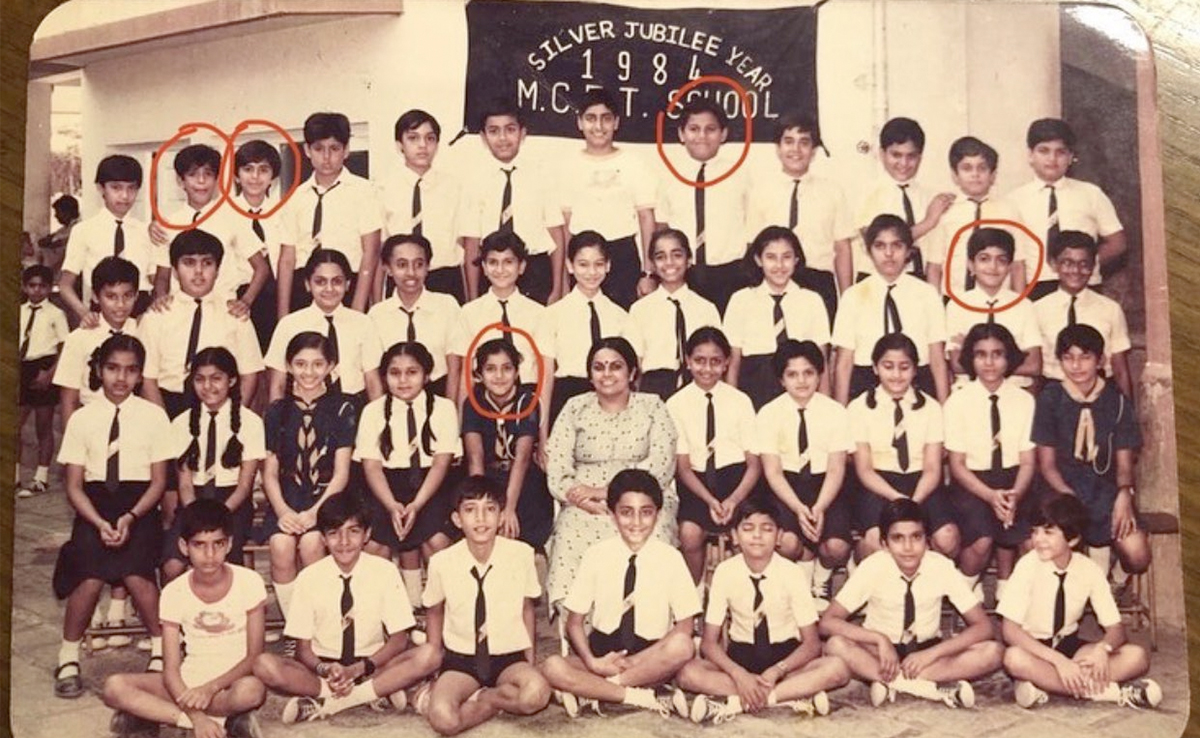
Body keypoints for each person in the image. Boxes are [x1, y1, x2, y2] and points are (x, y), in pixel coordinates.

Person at [253, 492, 439, 723]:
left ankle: (332, 702)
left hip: (373, 665)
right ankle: (371, 693)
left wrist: (359, 669)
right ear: (323, 538)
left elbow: (399, 640)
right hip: (323, 669)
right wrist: (326, 669)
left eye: (353, 531)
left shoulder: (385, 571)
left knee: (430, 654)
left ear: (367, 535)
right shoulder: (309, 578)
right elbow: (303, 649)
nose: (344, 542)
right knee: (264, 665)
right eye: (334, 533)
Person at [53, 335, 171, 698]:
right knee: (88, 575)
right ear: (99, 370)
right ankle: (68, 656)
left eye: (131, 370)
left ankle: (161, 650)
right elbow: (74, 486)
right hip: (95, 507)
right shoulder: (82, 418)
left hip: (139, 506)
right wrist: (99, 522)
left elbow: (159, 482)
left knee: (137, 572)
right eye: (113, 369)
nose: (121, 378)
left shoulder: (154, 416)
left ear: (140, 374)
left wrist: (131, 517)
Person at [102, 499, 268, 738]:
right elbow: (171, 670)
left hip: (232, 682)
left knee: (252, 691)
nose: (209, 555)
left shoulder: (249, 582)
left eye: (218, 544)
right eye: (199, 545)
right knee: (114, 686)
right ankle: (202, 722)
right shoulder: (174, 592)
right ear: (183, 546)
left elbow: (254, 656)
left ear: (230, 544)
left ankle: (151, 713)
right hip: (187, 683)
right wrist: (195, 717)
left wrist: (210, 688)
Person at [541, 469, 699, 718]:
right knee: (552, 666)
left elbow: (685, 626)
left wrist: (635, 662)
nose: (636, 522)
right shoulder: (596, 555)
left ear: (658, 515)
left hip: (650, 659)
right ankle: (637, 696)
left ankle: (601, 690)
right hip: (603, 656)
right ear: (613, 515)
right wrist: (593, 663)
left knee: (683, 646)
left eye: (645, 512)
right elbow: (574, 624)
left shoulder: (671, 558)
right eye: (626, 512)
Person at [820, 499, 1003, 709]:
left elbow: (983, 626)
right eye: (897, 538)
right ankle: (928, 688)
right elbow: (827, 622)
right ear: (884, 543)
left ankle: (890, 682)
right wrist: (879, 639)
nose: (908, 548)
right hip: (879, 653)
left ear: (928, 541)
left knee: (994, 652)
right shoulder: (873, 566)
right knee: (835, 645)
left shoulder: (941, 566)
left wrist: (932, 654)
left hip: (927, 654)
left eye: (916, 537)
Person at [679, 498, 849, 723]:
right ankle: (790, 695)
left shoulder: (792, 573)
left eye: (767, 529)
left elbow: (812, 644)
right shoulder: (725, 572)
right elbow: (709, 643)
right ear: (735, 536)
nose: (757, 535)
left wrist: (778, 670)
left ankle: (739, 702)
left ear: (779, 537)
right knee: (687, 673)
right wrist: (739, 674)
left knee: (837, 668)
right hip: (741, 660)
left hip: (786, 663)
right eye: (748, 528)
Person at [543, 337, 678, 609]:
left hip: (644, 499)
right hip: (584, 504)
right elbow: (557, 465)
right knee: (569, 535)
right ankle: (580, 623)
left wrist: (607, 493)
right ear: (589, 375)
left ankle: (646, 619)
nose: (607, 374)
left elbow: (662, 463)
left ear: (632, 372)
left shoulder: (653, 406)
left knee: (652, 534)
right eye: (599, 367)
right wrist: (582, 499)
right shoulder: (574, 408)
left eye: (616, 366)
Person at [998, 494, 1161, 709]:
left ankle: (1046, 684)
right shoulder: (1027, 566)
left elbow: (1116, 629)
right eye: (1035, 531)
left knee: (1137, 656)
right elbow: (1009, 631)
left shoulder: (1089, 569)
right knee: (1013, 659)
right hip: (1034, 647)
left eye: (1048, 532)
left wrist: (1102, 650)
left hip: (1069, 645)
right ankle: (1109, 693)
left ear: (1073, 539)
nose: (1038, 539)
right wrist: (1059, 662)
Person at [418, 476, 551, 734]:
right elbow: (434, 612)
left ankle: (485, 697)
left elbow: (527, 610)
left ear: (501, 516)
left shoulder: (521, 554)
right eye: (470, 510)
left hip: (508, 657)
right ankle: (499, 699)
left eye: (490, 509)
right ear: (457, 519)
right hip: (461, 659)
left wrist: (529, 660)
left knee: (536, 694)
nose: (481, 518)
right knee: (444, 720)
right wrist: (433, 664)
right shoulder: (442, 562)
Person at [1032, 324, 1149, 574]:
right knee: (1055, 541)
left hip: (1103, 486)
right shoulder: (1050, 398)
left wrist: (1124, 494)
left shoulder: (1117, 400)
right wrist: (1070, 498)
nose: (1076, 366)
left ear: (1100, 360)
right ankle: (1082, 582)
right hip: (1059, 486)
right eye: (1068, 357)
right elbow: (1047, 465)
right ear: (1060, 361)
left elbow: (1124, 462)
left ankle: (1115, 581)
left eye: (1085, 357)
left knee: (1138, 554)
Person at [261, 332, 357, 624]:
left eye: (317, 364)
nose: (309, 372)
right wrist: (282, 511)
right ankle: (296, 625)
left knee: (312, 543)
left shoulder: (343, 407)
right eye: (300, 364)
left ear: (331, 366)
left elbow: (342, 473)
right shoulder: (276, 411)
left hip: (328, 497)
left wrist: (316, 512)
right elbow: (269, 473)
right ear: (288, 366)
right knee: (281, 545)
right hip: (288, 497)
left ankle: (322, 622)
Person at [357, 341, 461, 606]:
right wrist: (392, 505)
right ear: (384, 376)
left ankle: (433, 607)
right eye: (395, 373)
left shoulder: (444, 408)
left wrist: (416, 504)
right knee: (375, 544)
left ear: (426, 375)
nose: (403, 380)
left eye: (412, 372)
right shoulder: (372, 411)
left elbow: (441, 463)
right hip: (385, 486)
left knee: (436, 540)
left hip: (431, 484)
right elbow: (371, 466)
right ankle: (389, 609)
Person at [756, 340, 853, 605]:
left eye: (808, 373)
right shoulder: (769, 413)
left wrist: (819, 507)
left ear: (820, 375)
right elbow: (773, 472)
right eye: (792, 374)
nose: (801, 381)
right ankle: (800, 583)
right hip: (785, 487)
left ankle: (821, 580)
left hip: (826, 486)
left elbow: (836, 468)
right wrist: (799, 509)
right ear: (781, 379)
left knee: (837, 547)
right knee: (786, 542)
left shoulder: (835, 412)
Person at [945, 323, 1037, 598]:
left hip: (1015, 480)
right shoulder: (958, 401)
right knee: (982, 540)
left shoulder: (1024, 400)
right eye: (981, 354)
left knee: (1029, 540)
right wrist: (990, 496)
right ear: (970, 359)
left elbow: (1028, 461)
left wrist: (1015, 495)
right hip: (973, 482)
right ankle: (962, 590)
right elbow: (957, 465)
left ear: (1009, 358)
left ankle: (1006, 588)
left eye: (997, 354)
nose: (989, 362)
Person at [666, 327, 760, 588]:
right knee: (689, 534)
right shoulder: (675, 404)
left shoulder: (740, 401)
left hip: (737, 481)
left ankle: (742, 591)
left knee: (750, 531)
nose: (707, 369)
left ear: (727, 362)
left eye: (715, 361)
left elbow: (754, 465)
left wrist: (733, 499)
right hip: (696, 484)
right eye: (699, 360)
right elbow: (683, 467)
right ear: (688, 361)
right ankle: (694, 593)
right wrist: (709, 500)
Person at [849, 333, 957, 558]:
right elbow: (864, 469)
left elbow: (933, 468)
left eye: (904, 367)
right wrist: (897, 499)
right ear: (875, 368)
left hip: (922, 483)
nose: (896, 375)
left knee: (948, 538)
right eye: (888, 367)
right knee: (877, 542)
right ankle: (859, 564)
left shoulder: (931, 408)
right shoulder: (859, 408)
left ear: (915, 369)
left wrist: (913, 503)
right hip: (878, 484)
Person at [161, 348, 265, 581]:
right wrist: (196, 517)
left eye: (216, 378)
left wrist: (218, 517)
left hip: (232, 503)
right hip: (193, 503)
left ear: (232, 380)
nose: (207, 386)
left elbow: (244, 486)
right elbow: (185, 483)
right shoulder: (180, 423)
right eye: (200, 379)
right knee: (172, 566)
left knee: (223, 560)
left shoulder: (251, 423)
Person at [140, 229, 264, 419]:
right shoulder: (157, 316)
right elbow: (147, 379)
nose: (198, 271)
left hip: (219, 407)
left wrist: (229, 419)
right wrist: (163, 425)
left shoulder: (235, 316)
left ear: (217, 270)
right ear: (175, 271)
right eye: (189, 263)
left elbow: (250, 376)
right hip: (166, 406)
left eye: (207, 263)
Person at [746, 113, 854, 325]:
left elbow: (842, 249)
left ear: (813, 151)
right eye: (788, 141)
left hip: (818, 281)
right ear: (778, 148)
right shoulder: (761, 192)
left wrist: (848, 302)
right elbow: (753, 246)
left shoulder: (832, 192)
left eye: (804, 142)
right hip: (774, 281)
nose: (796, 149)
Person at [557, 88, 657, 309]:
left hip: (623, 257)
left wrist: (649, 273)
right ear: (580, 122)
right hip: (583, 258)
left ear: (616, 122)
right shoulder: (568, 165)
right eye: (591, 118)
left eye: (606, 118)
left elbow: (646, 218)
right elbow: (564, 226)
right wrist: (564, 278)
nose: (599, 126)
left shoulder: (634, 163)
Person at [276, 111, 383, 316]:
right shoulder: (296, 198)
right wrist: (283, 314)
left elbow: (371, 253)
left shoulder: (364, 192)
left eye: (334, 148)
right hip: (304, 288)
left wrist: (357, 308)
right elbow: (287, 259)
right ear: (307, 150)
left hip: (346, 287)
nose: (326, 157)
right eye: (318, 149)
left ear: (346, 150)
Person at [833, 214, 949, 403]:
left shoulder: (927, 294)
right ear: (869, 251)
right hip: (866, 384)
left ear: (909, 251)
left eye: (897, 245)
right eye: (880, 246)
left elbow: (937, 359)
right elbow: (843, 363)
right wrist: (841, 411)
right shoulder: (853, 296)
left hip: (918, 383)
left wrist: (944, 408)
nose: (889, 253)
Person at [459, 100, 566, 303]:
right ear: (483, 137)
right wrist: (473, 297)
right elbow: (471, 242)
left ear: (522, 133)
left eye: (510, 130)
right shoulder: (474, 181)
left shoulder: (541, 175)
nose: (502, 138)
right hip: (492, 269)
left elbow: (556, 233)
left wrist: (557, 287)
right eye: (494, 131)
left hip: (535, 271)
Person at [1006, 118, 1125, 300]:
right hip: (1037, 286)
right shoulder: (1014, 200)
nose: (1052, 159)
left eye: (1060, 152)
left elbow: (1117, 243)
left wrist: (1083, 264)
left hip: (1084, 285)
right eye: (1044, 151)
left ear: (1070, 157)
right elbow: (1014, 257)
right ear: (1030, 155)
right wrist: (1019, 301)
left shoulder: (1090, 193)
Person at [150, 144, 270, 318]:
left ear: (216, 180)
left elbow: (261, 268)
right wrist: (161, 298)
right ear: (180, 181)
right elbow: (162, 276)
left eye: (208, 174)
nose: (201, 181)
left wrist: (245, 302)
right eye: (193, 174)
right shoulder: (168, 224)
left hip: (223, 310)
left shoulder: (232, 218)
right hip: (179, 312)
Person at [656, 98, 750, 313]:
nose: (702, 136)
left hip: (731, 272)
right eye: (694, 129)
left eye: (711, 129)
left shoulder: (740, 174)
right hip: (684, 273)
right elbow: (661, 225)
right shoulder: (669, 176)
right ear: (681, 134)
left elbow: (753, 223)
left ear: (723, 134)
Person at [725, 226, 831, 409]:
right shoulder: (741, 300)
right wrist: (732, 407)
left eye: (786, 257)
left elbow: (822, 363)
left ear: (796, 259)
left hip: (800, 386)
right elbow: (733, 364)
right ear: (758, 260)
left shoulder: (812, 300)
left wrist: (825, 407)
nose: (780, 265)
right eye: (771, 257)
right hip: (756, 388)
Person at [462, 338, 553, 551]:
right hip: (487, 476)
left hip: (523, 480)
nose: (499, 376)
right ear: (479, 374)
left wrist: (508, 508)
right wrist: (484, 506)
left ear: (517, 371)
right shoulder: (473, 403)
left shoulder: (527, 400)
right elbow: (475, 457)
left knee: (521, 535)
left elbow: (522, 458)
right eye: (490, 369)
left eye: (507, 368)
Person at [535, 230, 628, 433]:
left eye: (598, 264)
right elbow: (546, 377)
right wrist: (543, 435)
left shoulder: (620, 316)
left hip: (610, 398)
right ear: (570, 266)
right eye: (583, 264)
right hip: (567, 397)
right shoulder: (552, 315)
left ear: (608, 265)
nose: (591, 272)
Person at [267, 249, 384, 406]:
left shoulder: (363, 323)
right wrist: (276, 417)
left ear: (348, 284)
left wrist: (379, 417)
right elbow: (278, 384)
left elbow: (373, 382)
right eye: (320, 282)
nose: (329, 289)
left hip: (354, 407)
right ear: (308, 284)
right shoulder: (289, 324)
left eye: (337, 281)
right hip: (303, 407)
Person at [927, 136, 1036, 295]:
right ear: (955, 175)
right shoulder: (944, 211)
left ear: (993, 175)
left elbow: (1018, 264)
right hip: (954, 298)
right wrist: (935, 305)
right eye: (967, 168)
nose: (975, 174)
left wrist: (1018, 301)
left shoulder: (1008, 210)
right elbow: (934, 267)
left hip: (997, 298)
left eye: (982, 168)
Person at [59, 155, 160, 323]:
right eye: (116, 188)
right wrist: (84, 313)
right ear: (101, 188)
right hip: (101, 311)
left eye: (131, 188)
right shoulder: (83, 231)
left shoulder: (146, 232)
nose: (125, 195)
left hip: (141, 312)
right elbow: (65, 285)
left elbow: (156, 281)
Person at [852, 117, 954, 283]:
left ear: (920, 157)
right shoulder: (869, 193)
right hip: (876, 279)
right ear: (882, 154)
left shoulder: (929, 197)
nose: (904, 163)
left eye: (911, 156)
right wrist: (928, 222)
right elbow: (874, 241)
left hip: (918, 277)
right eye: (896, 155)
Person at [1033, 230, 1133, 398]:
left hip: (1100, 392)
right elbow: (1035, 372)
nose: (1076, 270)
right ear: (1053, 264)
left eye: (1084, 264)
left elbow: (1120, 369)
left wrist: (1127, 409)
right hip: (1055, 393)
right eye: (1067, 263)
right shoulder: (1037, 310)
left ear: (1093, 266)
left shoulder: (1110, 309)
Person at [382, 109, 466, 302]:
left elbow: (465, 243)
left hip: (444, 278)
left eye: (430, 138)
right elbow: (380, 248)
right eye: (413, 138)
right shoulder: (382, 189)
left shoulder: (454, 187)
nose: (423, 145)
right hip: (401, 278)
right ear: (399, 145)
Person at [367, 234, 464, 400]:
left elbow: (455, 368)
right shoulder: (377, 314)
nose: (411, 272)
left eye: (419, 264)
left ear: (428, 267)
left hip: (438, 394)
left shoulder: (447, 306)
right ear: (387, 268)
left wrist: (449, 409)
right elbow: (374, 375)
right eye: (402, 265)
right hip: (394, 397)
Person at [627, 228, 720, 400]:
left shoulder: (706, 308)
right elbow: (635, 363)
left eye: (677, 255)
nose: (669, 262)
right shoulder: (640, 310)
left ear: (689, 259)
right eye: (660, 257)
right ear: (652, 264)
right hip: (654, 389)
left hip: (697, 387)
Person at [944, 227, 1043, 387]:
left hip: (1014, 390)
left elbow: (1034, 365)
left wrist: (972, 357)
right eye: (984, 259)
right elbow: (956, 364)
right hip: (970, 390)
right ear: (971, 265)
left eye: (1001, 260)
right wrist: (1014, 358)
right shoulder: (956, 306)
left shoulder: (1024, 306)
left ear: (1009, 267)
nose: (993, 267)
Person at [455, 230, 546, 392]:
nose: (500, 269)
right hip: (484, 395)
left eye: (508, 262)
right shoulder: (469, 313)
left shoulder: (539, 313)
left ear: (521, 266)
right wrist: (464, 407)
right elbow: (465, 372)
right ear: (484, 267)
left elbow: (544, 369)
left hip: (527, 394)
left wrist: (541, 406)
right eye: (493, 262)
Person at [54, 258, 140, 421]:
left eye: (127, 296)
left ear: (136, 295)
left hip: (135, 421)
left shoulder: (142, 331)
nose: (120, 304)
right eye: (111, 296)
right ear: (95, 296)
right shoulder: (78, 338)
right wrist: (71, 436)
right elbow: (68, 400)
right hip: (91, 420)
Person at [17, 264, 69, 498]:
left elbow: (65, 347)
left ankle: (41, 477)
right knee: (14, 425)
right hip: (22, 366)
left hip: (44, 366)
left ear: (49, 288)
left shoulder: (56, 314)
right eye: (32, 285)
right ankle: (15, 475)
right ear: (24, 287)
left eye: (42, 286)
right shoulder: (19, 311)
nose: (36, 290)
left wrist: (50, 374)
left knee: (43, 426)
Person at [229, 139, 284, 352]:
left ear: (273, 177)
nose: (255, 177)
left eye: (263, 170)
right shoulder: (223, 212)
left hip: (275, 298)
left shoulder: (284, 213)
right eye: (248, 169)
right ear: (236, 176)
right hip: (238, 298)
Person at [37, 193, 80, 277]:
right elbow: (44, 241)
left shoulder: (77, 229)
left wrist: (52, 244)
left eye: (58, 212)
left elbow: (62, 243)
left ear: (67, 212)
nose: (56, 216)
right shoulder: (63, 230)